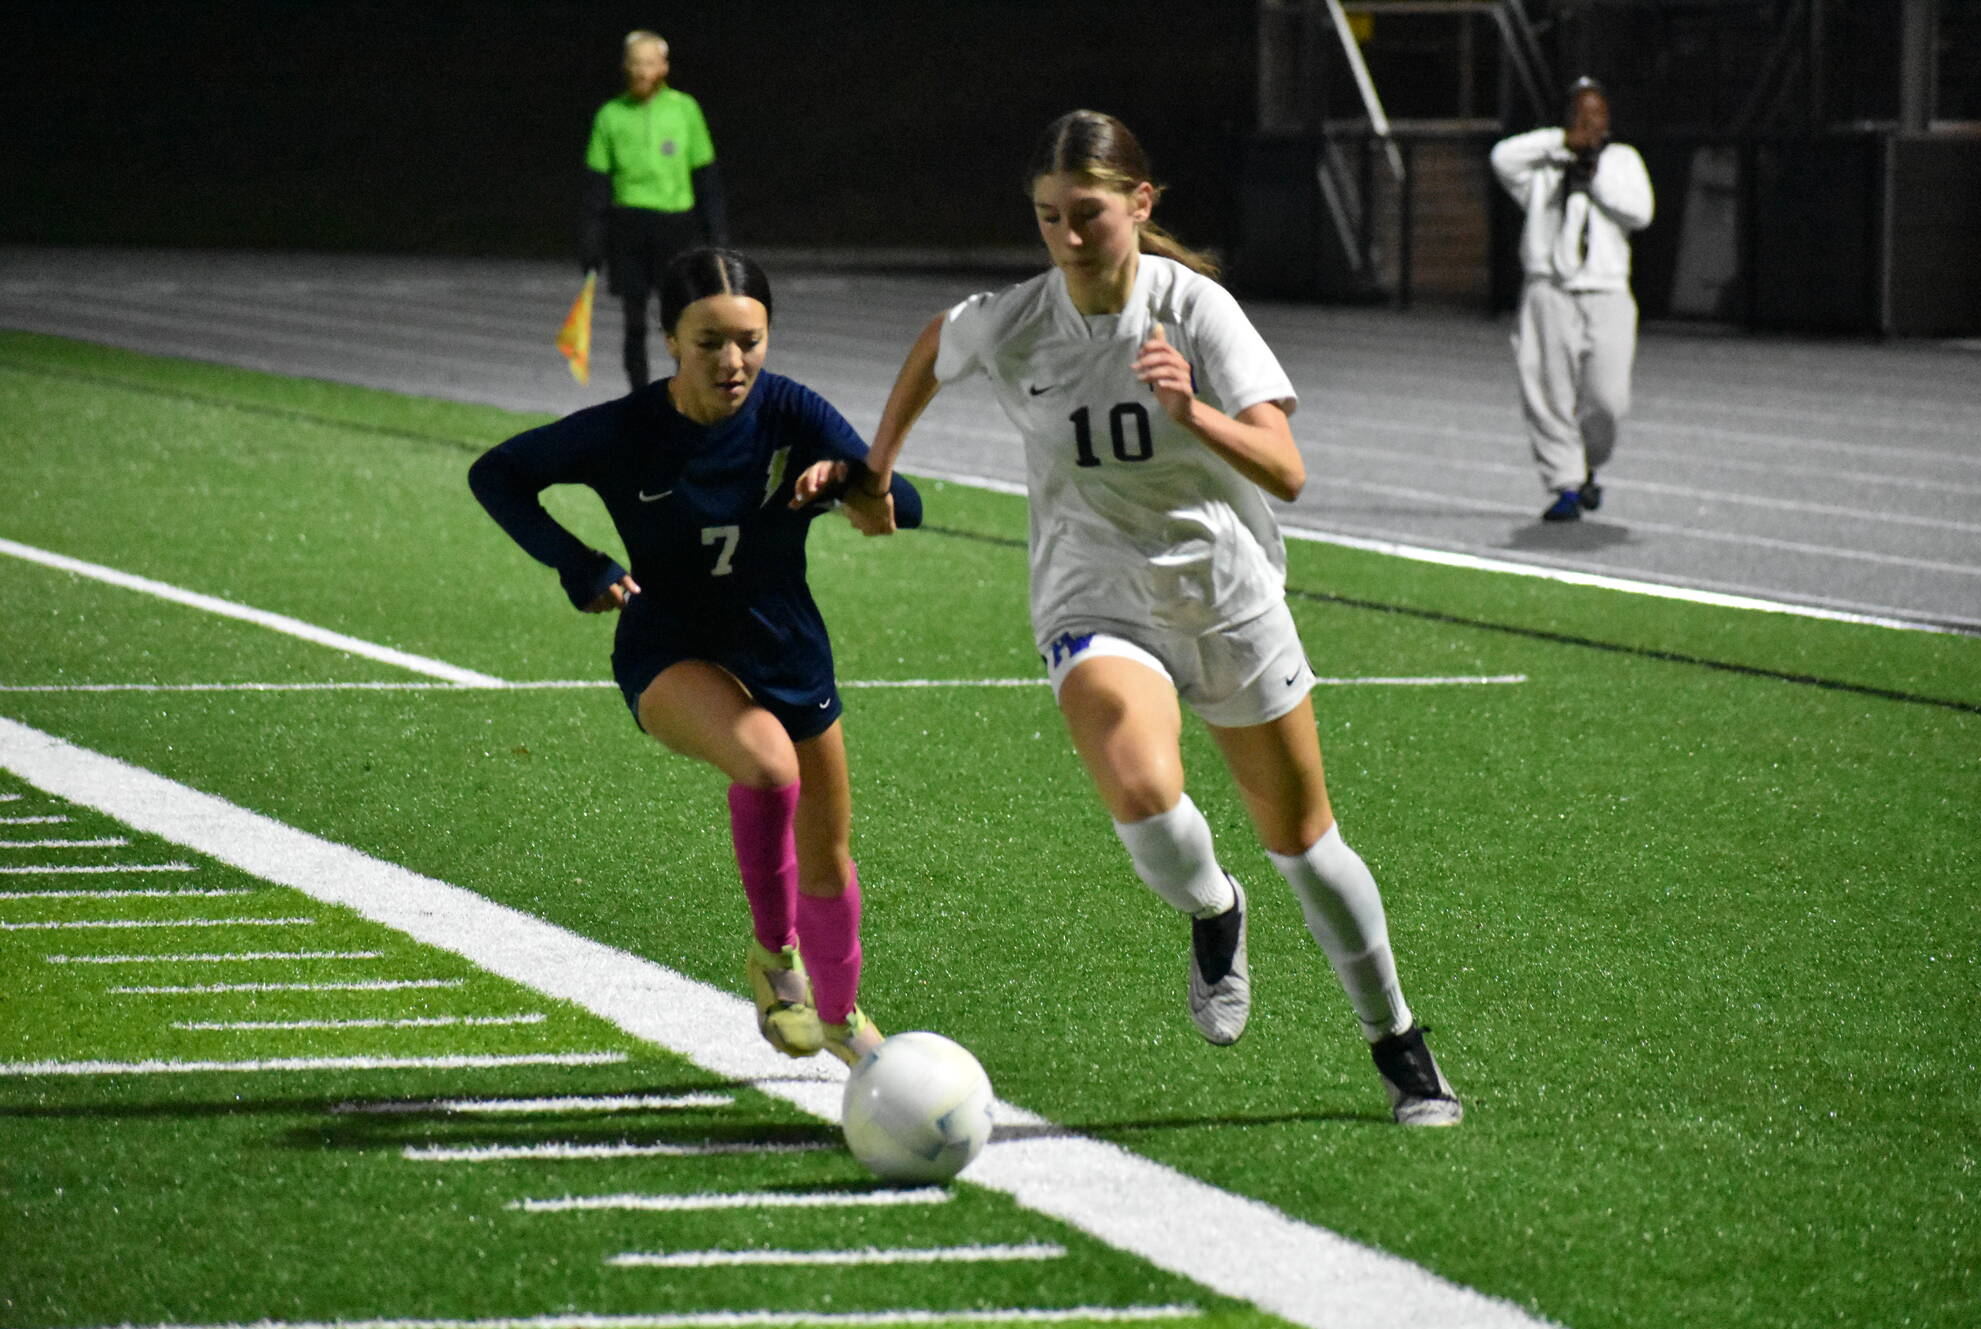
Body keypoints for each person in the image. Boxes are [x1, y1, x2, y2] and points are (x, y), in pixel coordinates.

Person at [856, 110, 1461, 1126]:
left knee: (1304, 845)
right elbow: (933, 344)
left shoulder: (1198, 312)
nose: (1066, 236)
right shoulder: (1019, 321)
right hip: (1093, 587)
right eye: (1048, 217)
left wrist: (1194, 414)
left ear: (1139, 204)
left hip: (1222, 591)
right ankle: (1212, 909)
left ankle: (1396, 1039)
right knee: (1138, 784)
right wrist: (878, 467)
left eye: (1086, 213)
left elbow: (1287, 472)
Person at [469, 247, 922, 1067]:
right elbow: (497, 473)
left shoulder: (789, 411)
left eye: (750, 338)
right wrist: (580, 564)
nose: (733, 359)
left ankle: (843, 1015)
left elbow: (905, 501)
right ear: (670, 338)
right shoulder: (626, 430)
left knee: (828, 853)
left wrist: (851, 479)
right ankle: (773, 960)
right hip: (667, 646)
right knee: (767, 766)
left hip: (784, 647)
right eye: (709, 340)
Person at [1491, 77, 1655, 522]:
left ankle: (1588, 465)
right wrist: (1562, 143)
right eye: (1580, 114)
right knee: (1547, 392)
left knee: (1608, 400)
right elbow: (1502, 157)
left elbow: (1641, 212)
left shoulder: (1622, 160)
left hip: (1606, 292)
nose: (1589, 122)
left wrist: (1595, 177)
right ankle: (1565, 484)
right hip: (1549, 290)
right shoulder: (1546, 166)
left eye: (1596, 113)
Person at [577, 30, 729, 390]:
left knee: (680, 319)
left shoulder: (684, 109)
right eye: (635, 63)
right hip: (628, 226)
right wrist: (590, 240)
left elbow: (706, 178)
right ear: (624, 67)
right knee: (634, 320)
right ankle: (640, 395)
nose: (642, 71)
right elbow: (596, 187)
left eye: (649, 63)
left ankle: (683, 392)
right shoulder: (610, 115)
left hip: (676, 226)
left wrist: (717, 236)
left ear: (663, 66)